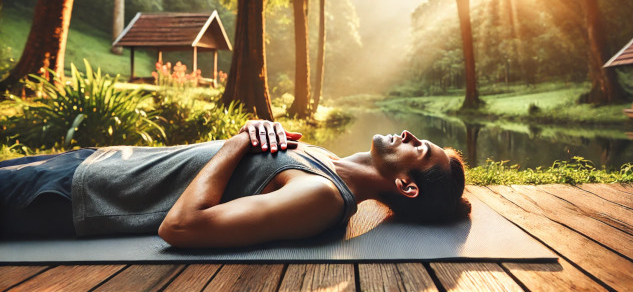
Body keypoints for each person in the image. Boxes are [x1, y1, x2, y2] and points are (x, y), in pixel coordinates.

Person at [0, 120, 471, 247]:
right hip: (96, 162)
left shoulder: (323, 196)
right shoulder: (325, 160)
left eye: (420, 149)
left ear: (408, 186)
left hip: (72, 194)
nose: (410, 135)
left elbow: (183, 227)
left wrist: (238, 140)